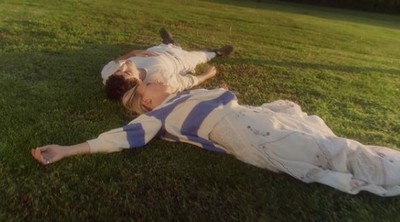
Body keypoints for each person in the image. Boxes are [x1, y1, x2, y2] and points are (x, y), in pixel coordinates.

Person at [31, 66, 400, 197]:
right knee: (337, 153)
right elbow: (118, 137)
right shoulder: (157, 115)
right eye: (143, 94)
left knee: (300, 117)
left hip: (249, 117)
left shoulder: (184, 94)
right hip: (240, 130)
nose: (149, 93)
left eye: (146, 88)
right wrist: (67, 148)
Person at [101, 28, 234, 101]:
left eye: (120, 70)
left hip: (155, 51)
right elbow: (186, 82)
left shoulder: (109, 76)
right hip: (180, 61)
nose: (125, 66)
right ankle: (217, 52)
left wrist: (132, 53)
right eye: (127, 72)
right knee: (200, 56)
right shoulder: (157, 83)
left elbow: (116, 62)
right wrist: (206, 75)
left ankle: (168, 42)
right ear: (137, 81)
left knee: (165, 46)